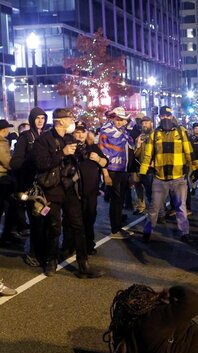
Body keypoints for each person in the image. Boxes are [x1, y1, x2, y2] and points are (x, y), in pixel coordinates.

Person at [32, 108, 104, 278]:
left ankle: (83, 265)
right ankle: (51, 261)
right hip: (52, 189)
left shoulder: (69, 138)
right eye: (70, 118)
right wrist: (61, 153)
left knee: (77, 225)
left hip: (70, 187)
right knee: (54, 226)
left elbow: (80, 156)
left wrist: (87, 152)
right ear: (60, 121)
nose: (72, 121)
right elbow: (41, 164)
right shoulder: (43, 140)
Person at [140, 106, 196, 244]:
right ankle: (147, 232)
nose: (165, 118)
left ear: (172, 116)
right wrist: (143, 171)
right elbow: (147, 154)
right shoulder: (154, 134)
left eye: (167, 115)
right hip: (160, 178)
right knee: (154, 208)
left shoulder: (181, 132)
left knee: (180, 207)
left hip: (178, 178)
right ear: (160, 117)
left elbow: (188, 151)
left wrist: (194, 168)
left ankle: (185, 232)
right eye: (163, 115)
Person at [60, 122, 108, 257]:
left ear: (87, 133)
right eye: (77, 132)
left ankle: (89, 244)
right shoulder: (69, 148)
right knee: (70, 219)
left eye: (82, 131)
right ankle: (68, 245)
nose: (80, 135)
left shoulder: (93, 147)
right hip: (72, 191)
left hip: (90, 191)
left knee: (89, 217)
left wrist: (98, 159)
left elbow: (105, 163)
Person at [9, 108, 47, 266]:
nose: (40, 120)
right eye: (37, 118)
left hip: (46, 185)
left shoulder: (46, 136)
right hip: (31, 187)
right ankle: (33, 253)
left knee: (46, 220)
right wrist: (32, 161)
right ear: (32, 119)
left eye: (42, 118)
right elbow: (15, 162)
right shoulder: (26, 137)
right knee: (36, 221)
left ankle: (43, 251)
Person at [99, 107, 134, 240]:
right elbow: (102, 152)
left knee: (119, 200)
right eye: (117, 119)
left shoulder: (123, 132)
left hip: (123, 169)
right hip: (112, 170)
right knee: (116, 200)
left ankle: (118, 227)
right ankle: (115, 230)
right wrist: (105, 174)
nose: (119, 122)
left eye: (122, 120)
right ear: (113, 118)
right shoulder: (106, 131)